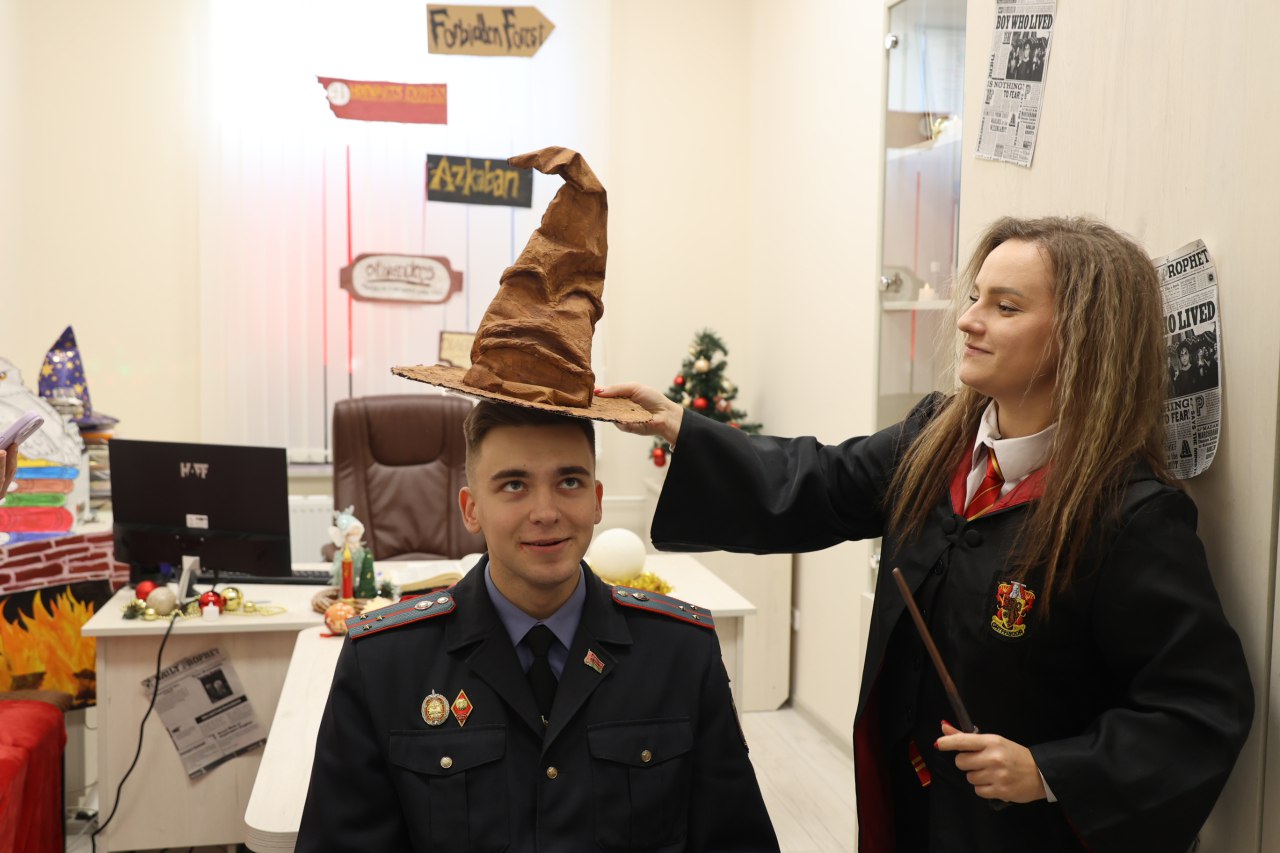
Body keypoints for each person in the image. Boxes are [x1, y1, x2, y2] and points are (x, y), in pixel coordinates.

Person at [598, 216, 1253, 853]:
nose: (968, 320)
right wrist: (682, 427)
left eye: (1005, 306)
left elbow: (1197, 708)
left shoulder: (1131, 515)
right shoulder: (934, 441)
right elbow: (820, 480)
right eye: (975, 298)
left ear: (1082, 337)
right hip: (910, 807)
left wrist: (1049, 771)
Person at [296, 401, 779, 852]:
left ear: (597, 501)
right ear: (471, 509)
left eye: (569, 481)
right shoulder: (383, 663)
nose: (546, 513)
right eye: (514, 485)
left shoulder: (680, 653)